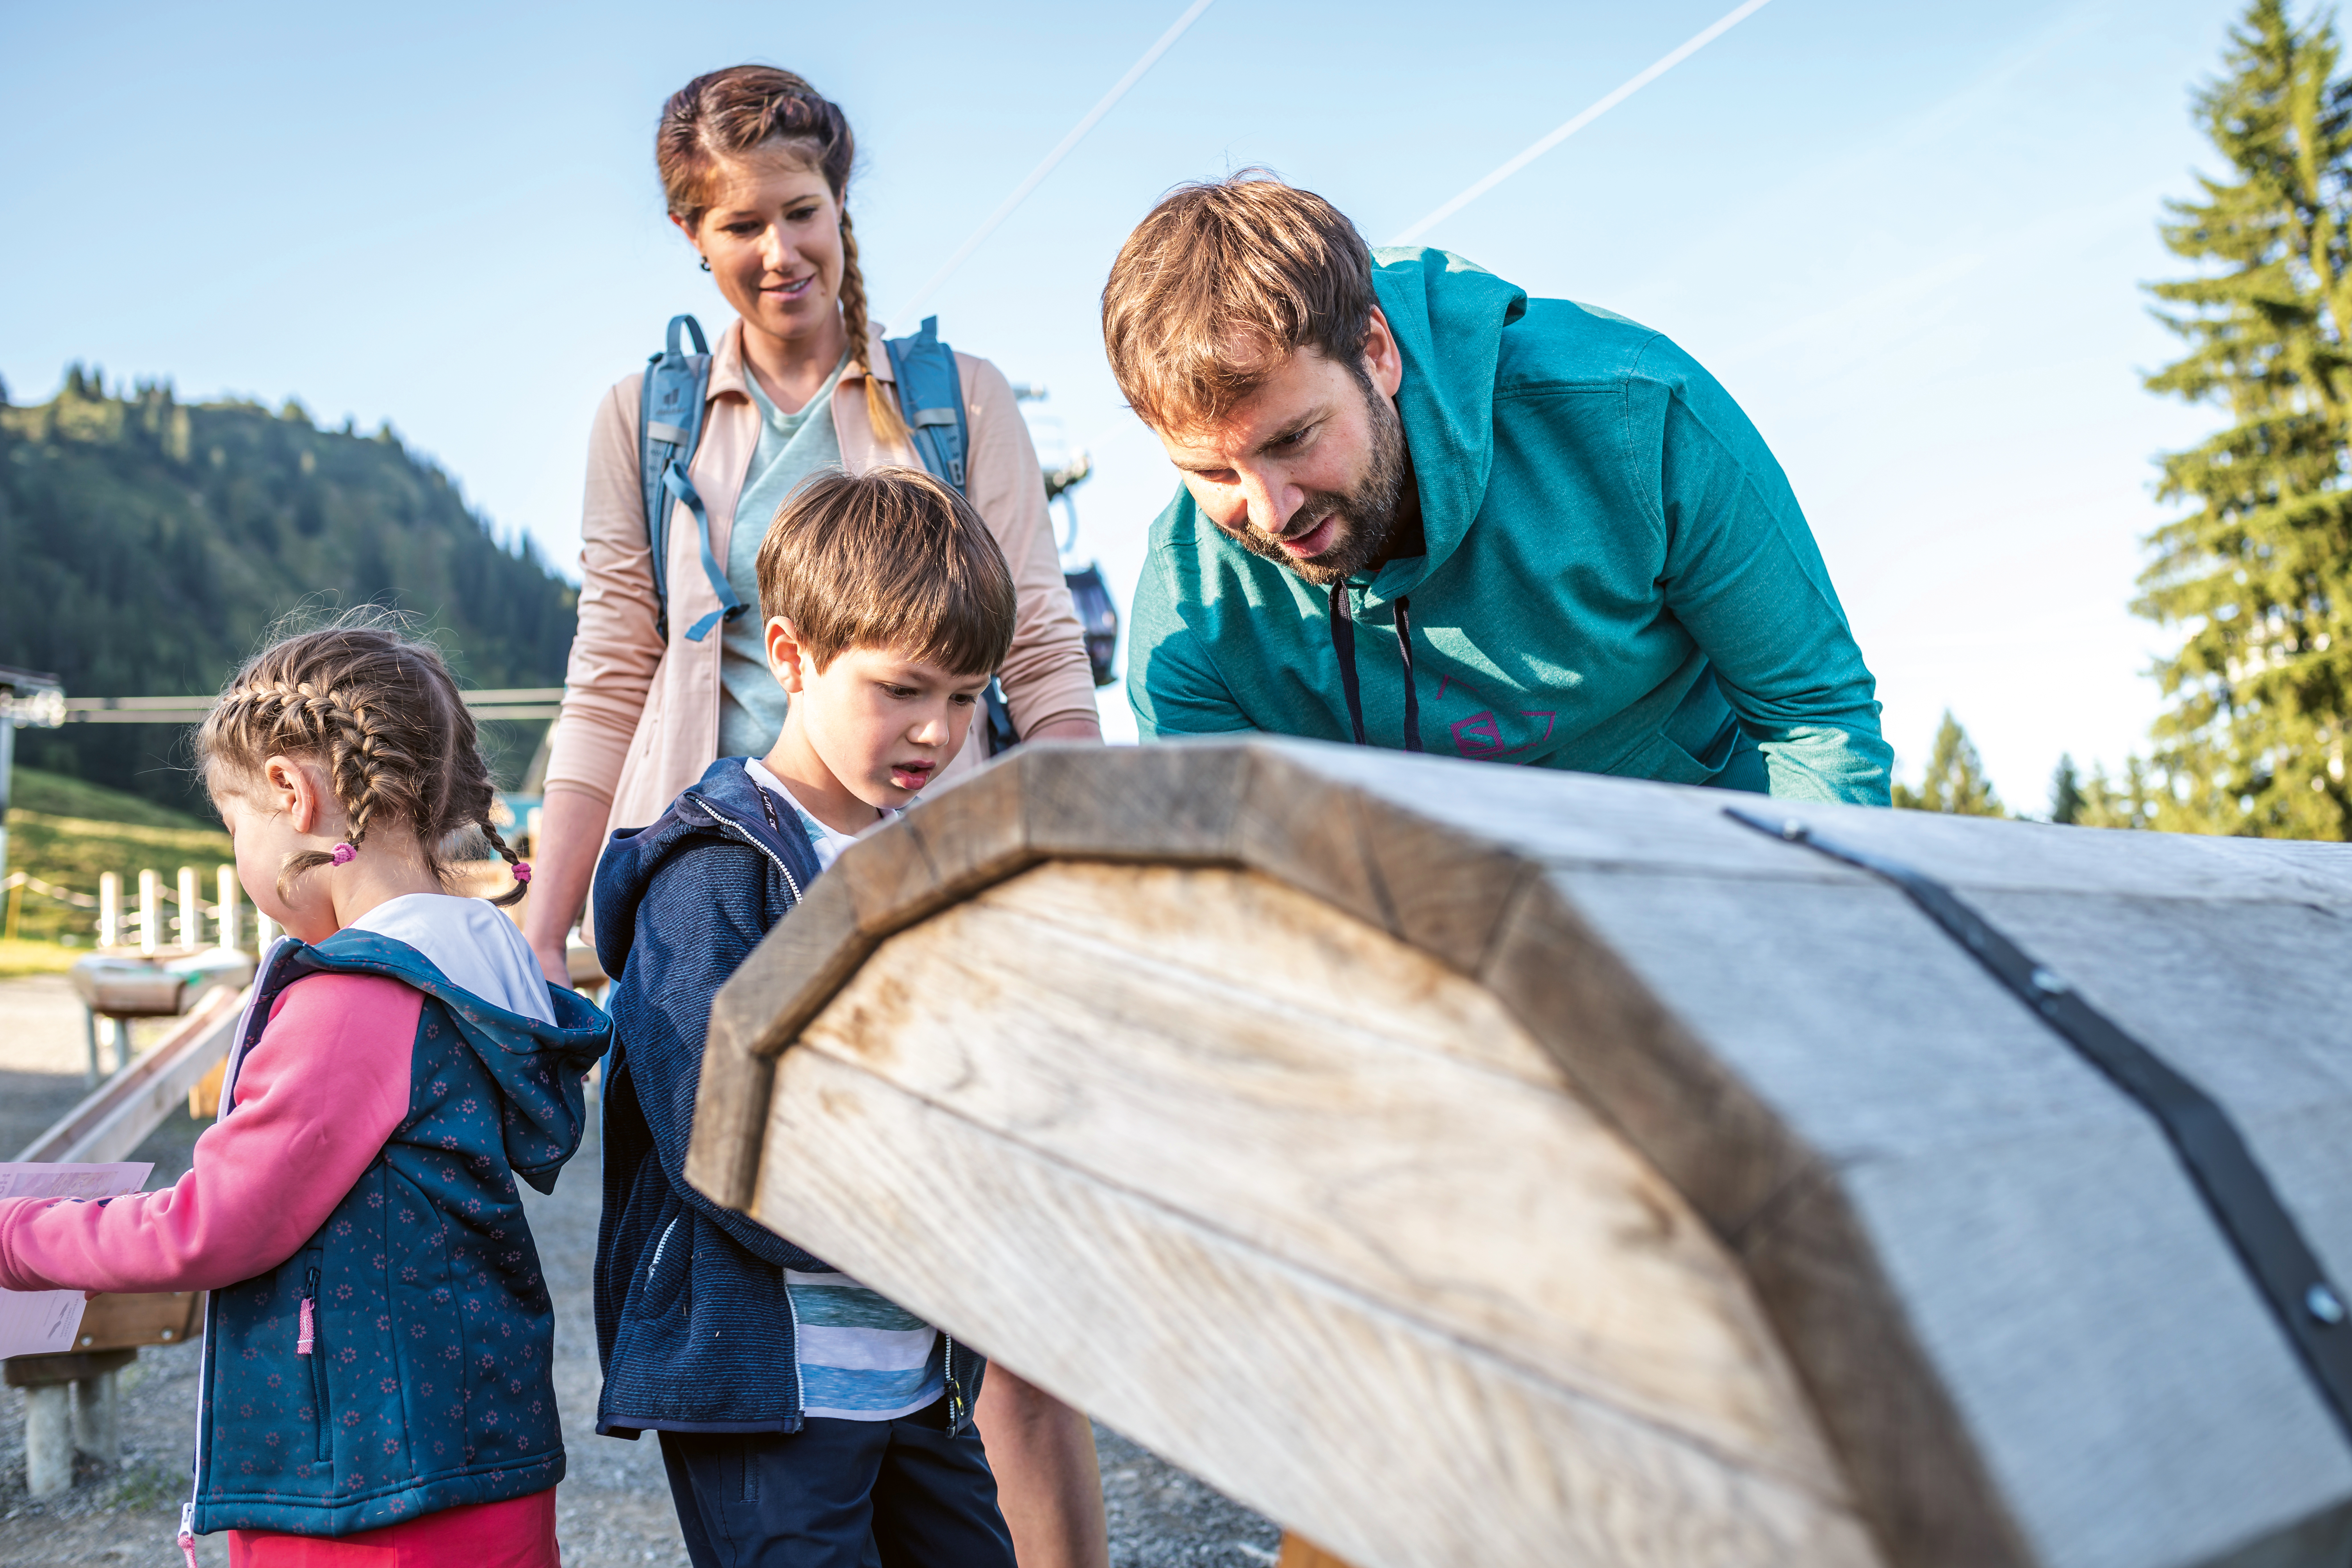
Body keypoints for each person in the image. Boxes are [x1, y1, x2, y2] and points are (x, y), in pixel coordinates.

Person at [524, 69, 1106, 1560]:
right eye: (741, 227)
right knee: (762, 1181)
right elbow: (612, 668)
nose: (780, 251)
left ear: (844, 207)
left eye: (803, 214)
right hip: (738, 845)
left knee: (1014, 1318)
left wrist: (1089, 853)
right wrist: (543, 926)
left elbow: (1032, 640)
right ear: (692, 237)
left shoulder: (948, 402)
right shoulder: (650, 422)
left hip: (924, 858)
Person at [0, 621, 611, 1567]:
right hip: (481, 1465)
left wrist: (14, 1237)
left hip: (360, 1501)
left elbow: (208, 1228)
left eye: (235, 823)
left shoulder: (356, 1003)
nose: (240, 857)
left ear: (291, 790)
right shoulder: (472, 977)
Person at [1101, 173, 1894, 804]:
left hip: (1712, 873)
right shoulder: (1192, 608)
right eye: (1212, 472)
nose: (1271, 511)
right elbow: (1219, 880)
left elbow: (1816, 723)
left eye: (1293, 439)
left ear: (1375, 352)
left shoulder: (1636, 415)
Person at [591, 466, 1024, 1568]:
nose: (936, 730)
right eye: (904, 689)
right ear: (791, 656)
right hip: (766, 1395)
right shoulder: (711, 878)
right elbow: (719, 1137)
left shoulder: (930, 862)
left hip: (920, 1379)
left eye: (968, 697)